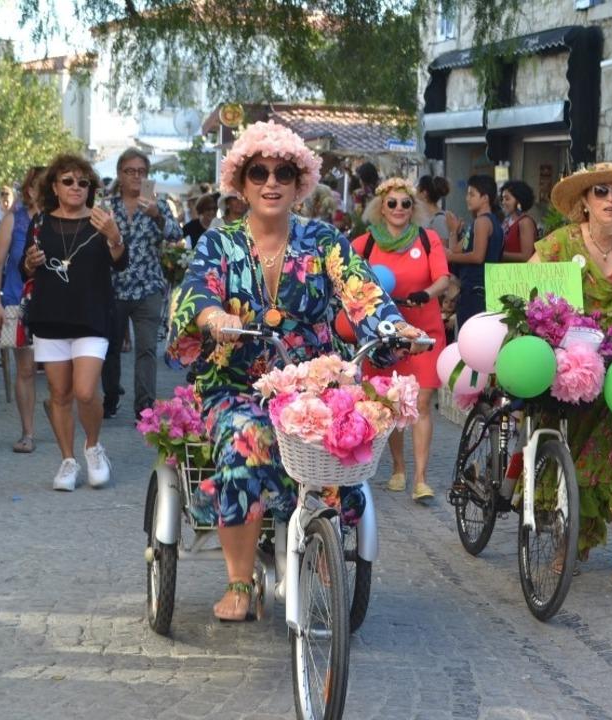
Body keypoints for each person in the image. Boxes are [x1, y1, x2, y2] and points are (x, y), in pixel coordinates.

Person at [166, 121, 427, 621]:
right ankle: (241, 582)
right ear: (240, 183)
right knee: (247, 438)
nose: (271, 182)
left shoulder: (324, 239)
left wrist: (394, 327)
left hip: (312, 380)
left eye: (283, 172)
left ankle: (322, 546)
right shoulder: (218, 245)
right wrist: (214, 317)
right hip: (236, 383)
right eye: (259, 172)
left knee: (338, 436)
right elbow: (196, 292)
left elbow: (362, 291)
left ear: (299, 181)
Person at [530, 162, 612, 590]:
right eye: (601, 191)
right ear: (584, 202)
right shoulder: (558, 244)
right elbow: (526, 289)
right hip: (566, 362)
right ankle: (567, 546)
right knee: (563, 446)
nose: (611, 200)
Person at [21, 153, 127, 491]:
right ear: (54, 185)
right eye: (68, 181)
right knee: (60, 393)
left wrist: (114, 236)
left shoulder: (101, 220)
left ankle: (93, 447)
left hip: (92, 316)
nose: (76, 187)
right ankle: (67, 461)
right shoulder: (39, 223)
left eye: (83, 182)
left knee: (84, 390)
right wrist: (29, 262)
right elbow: (25, 268)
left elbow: (121, 263)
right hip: (50, 316)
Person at [352, 177, 450, 502]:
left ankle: (420, 478)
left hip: (423, 331)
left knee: (421, 402)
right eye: (392, 203)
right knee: (392, 403)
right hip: (385, 336)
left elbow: (443, 279)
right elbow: (348, 282)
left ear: (414, 208)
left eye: (405, 204)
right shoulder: (364, 244)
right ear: (381, 207)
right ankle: (398, 468)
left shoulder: (427, 239)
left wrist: (426, 293)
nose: (398, 209)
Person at [101, 148, 184, 421]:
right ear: (120, 175)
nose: (136, 176)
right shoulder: (107, 207)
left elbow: (176, 235)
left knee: (147, 349)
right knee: (110, 347)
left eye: (141, 172)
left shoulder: (156, 205)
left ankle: (144, 407)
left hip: (148, 287)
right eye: (130, 171)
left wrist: (158, 217)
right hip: (113, 288)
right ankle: (111, 396)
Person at [0, 166, 44, 454]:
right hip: (17, 300)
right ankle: (28, 432)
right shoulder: (14, 219)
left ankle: (55, 407)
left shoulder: (62, 218)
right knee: (26, 369)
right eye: (40, 185)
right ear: (30, 190)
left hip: (56, 304)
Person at [445, 175, 504, 327]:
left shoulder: (482, 222)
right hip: (476, 290)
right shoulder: (481, 222)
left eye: (472, 194)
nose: (467, 198)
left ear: (485, 198)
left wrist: (450, 258)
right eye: (467, 194)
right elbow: (455, 250)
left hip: (476, 290)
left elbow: (478, 256)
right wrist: (453, 231)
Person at [500, 180, 537, 262]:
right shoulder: (506, 221)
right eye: (502, 199)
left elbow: (526, 256)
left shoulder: (525, 222)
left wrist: (498, 254)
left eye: (507, 199)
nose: (503, 202)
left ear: (519, 200)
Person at [416, 175, 452, 243]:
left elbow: (442, 250)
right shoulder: (426, 218)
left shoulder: (439, 220)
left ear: (424, 193)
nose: (415, 194)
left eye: (417, 190)